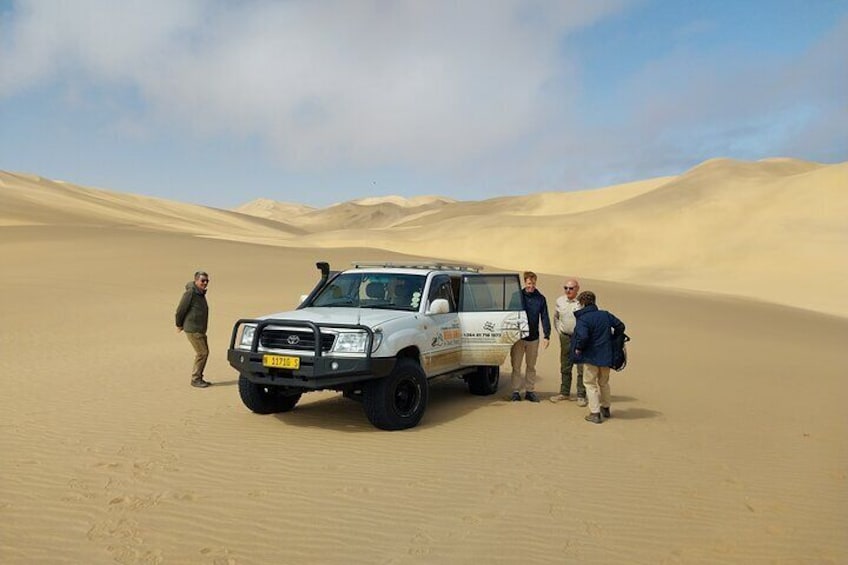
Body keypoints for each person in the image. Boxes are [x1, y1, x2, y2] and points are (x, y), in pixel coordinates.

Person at [571, 291, 625, 423]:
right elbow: (620, 326)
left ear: (583, 303)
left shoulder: (583, 318)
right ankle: (605, 408)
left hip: (591, 356)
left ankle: (595, 413)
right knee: (604, 382)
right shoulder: (605, 315)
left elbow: (583, 336)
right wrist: (613, 338)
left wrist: (579, 348)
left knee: (589, 383)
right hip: (606, 355)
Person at [509, 271, 551, 402]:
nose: (531, 286)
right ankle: (516, 391)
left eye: (533, 283)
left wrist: (547, 335)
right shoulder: (517, 296)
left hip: (533, 338)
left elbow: (544, 317)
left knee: (531, 366)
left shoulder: (540, 298)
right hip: (519, 338)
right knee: (516, 365)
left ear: (535, 283)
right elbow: (510, 315)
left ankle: (530, 391)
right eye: (528, 283)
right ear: (524, 282)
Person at [550, 278, 586, 406]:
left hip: (579, 338)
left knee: (581, 367)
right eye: (565, 288)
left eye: (571, 288)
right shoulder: (560, 301)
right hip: (565, 337)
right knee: (565, 365)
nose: (568, 291)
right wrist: (560, 331)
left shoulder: (582, 303)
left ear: (577, 289)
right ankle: (564, 392)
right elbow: (556, 317)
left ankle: (581, 395)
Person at [175, 271, 212, 388]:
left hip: (200, 329)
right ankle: (196, 379)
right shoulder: (190, 293)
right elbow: (180, 310)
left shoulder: (200, 293)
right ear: (196, 281)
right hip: (193, 329)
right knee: (202, 353)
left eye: (207, 281)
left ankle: (198, 377)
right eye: (202, 281)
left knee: (203, 353)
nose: (205, 283)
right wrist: (179, 324)